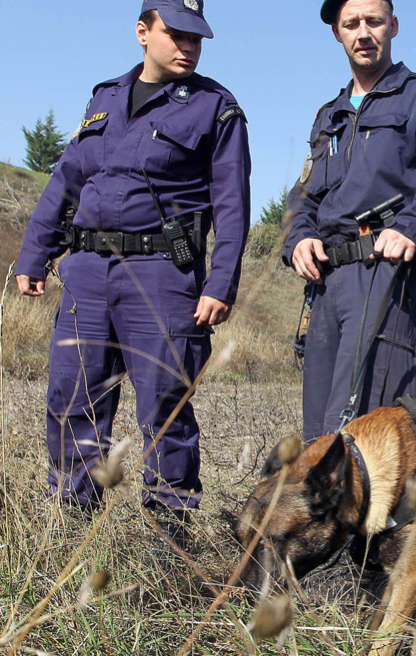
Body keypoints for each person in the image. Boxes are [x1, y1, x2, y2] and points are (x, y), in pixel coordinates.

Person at [15, 0, 250, 532]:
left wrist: (220, 282)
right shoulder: (105, 99)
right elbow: (66, 180)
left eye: (197, 39)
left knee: (164, 403)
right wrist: (35, 254)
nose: (188, 47)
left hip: (163, 275)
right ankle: (72, 522)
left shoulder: (215, 107)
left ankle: (170, 533)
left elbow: (232, 202)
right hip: (88, 271)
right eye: (177, 35)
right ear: (143, 33)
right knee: (72, 394)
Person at [283, 0, 416, 441]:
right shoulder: (327, 116)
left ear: (393, 25)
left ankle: (392, 512)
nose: (363, 32)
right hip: (326, 281)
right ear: (337, 33)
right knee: (320, 436)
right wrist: (298, 238)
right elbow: (303, 196)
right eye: (351, 23)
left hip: (385, 274)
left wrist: (412, 226)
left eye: (373, 21)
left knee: (366, 429)